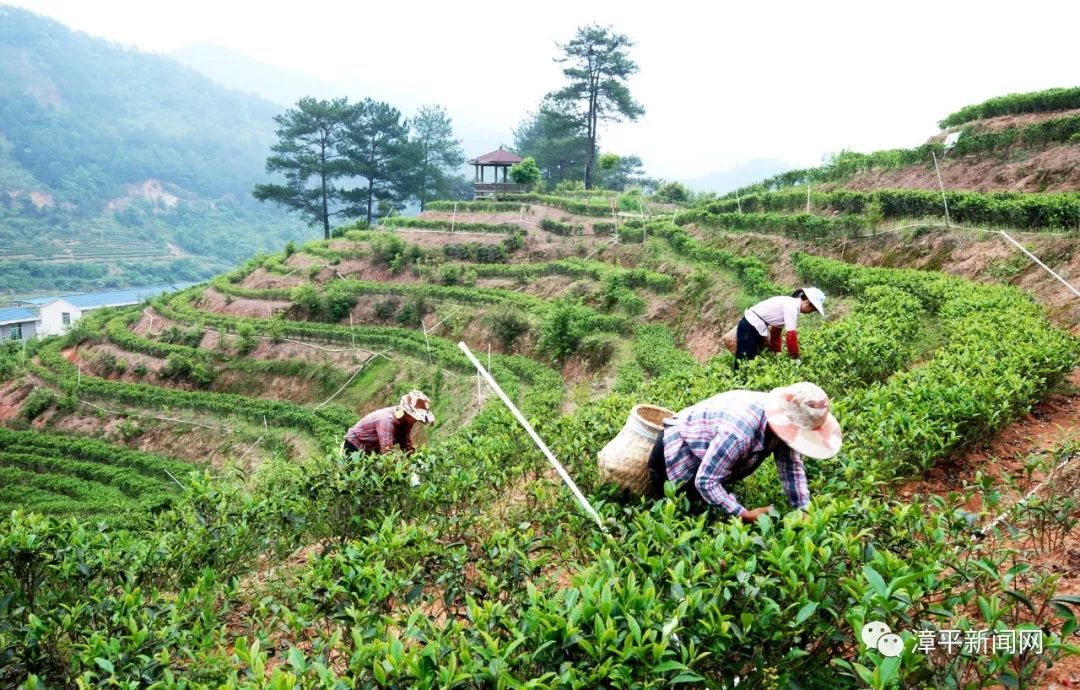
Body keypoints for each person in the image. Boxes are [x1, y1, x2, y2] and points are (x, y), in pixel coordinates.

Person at [647, 382, 842, 522]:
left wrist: (803, 509)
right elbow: (705, 481)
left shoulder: (783, 419)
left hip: (706, 458)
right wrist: (744, 514)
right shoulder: (739, 433)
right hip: (676, 460)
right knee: (681, 515)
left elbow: (790, 466)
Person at [735, 287, 826, 365]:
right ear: (808, 303)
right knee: (744, 360)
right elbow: (791, 336)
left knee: (751, 359)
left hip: (754, 326)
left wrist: (776, 352)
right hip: (750, 326)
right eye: (812, 310)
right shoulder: (792, 306)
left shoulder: (790, 303)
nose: (810, 313)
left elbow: (776, 331)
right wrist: (795, 358)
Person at [342, 390, 434, 456]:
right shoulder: (387, 421)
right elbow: (387, 451)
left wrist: (415, 462)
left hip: (372, 448)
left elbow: (406, 444)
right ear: (407, 412)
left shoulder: (407, 422)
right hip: (355, 444)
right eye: (415, 417)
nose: (416, 420)